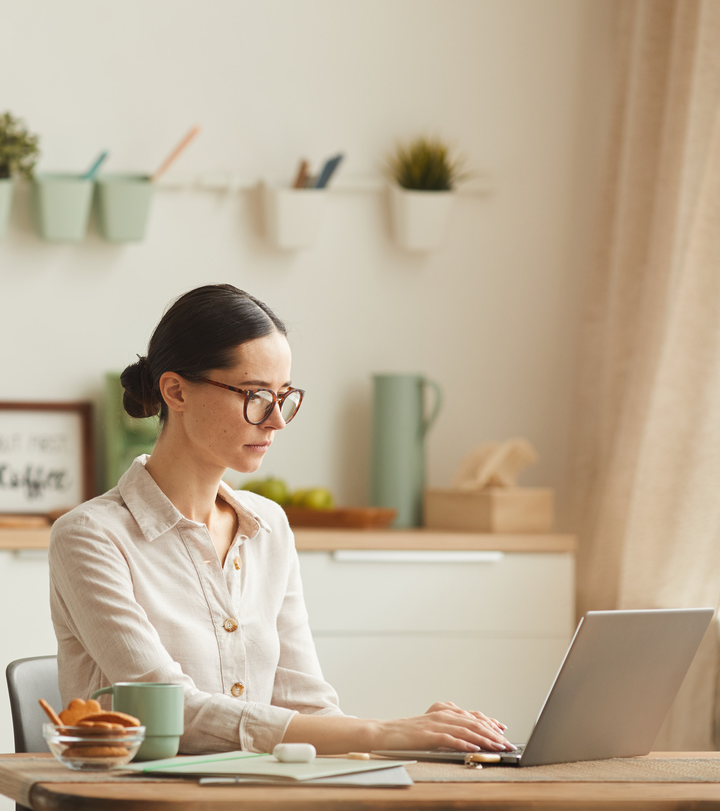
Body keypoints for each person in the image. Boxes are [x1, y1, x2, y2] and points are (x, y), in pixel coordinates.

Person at [48, 283, 513, 755]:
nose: (276, 420)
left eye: (284, 396)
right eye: (255, 395)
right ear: (175, 391)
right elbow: (175, 715)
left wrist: (418, 740)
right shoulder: (89, 537)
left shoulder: (268, 526)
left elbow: (306, 706)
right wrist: (382, 731)